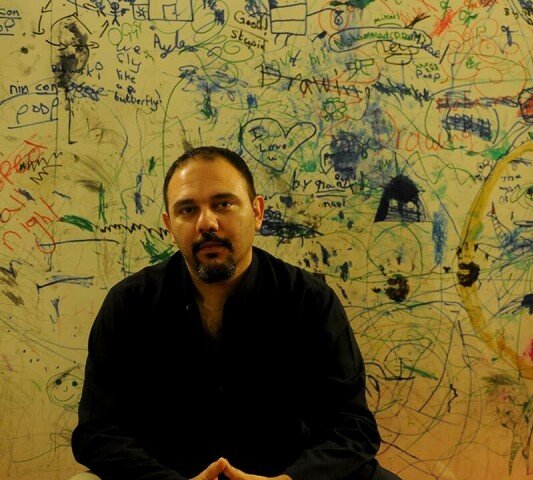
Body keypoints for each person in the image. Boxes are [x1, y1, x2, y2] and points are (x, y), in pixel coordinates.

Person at [72, 146, 398, 480]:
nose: (207, 223)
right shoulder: (129, 304)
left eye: (223, 204)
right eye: (188, 209)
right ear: (170, 225)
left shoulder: (309, 300)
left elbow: (353, 426)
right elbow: (97, 432)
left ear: (257, 212)